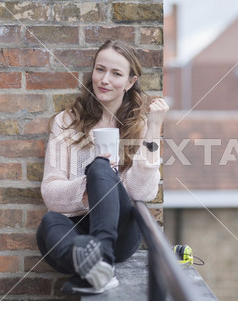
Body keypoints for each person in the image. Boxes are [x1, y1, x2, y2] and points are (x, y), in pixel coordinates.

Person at [36, 39, 169, 294]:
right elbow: (51, 193)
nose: (104, 79)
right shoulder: (66, 122)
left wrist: (153, 129)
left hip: (120, 233)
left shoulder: (138, 126)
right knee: (49, 223)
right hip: (76, 226)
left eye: (116, 73)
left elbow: (142, 193)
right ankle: (90, 261)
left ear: (130, 82)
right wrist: (91, 187)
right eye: (100, 69)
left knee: (99, 168)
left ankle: (103, 262)